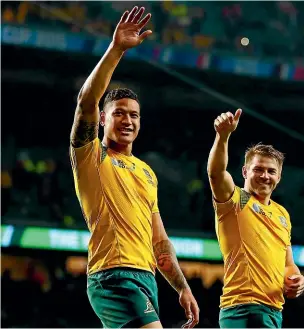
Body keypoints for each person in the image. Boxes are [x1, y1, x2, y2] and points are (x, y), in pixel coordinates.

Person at [69, 6, 199, 329]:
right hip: (112, 274)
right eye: (119, 113)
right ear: (103, 119)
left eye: (134, 115)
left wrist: (182, 287)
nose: (127, 120)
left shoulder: (147, 172)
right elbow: (86, 101)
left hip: (147, 278)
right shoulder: (90, 155)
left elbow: (160, 241)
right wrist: (116, 50)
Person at [207, 109, 304, 328]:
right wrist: (222, 137)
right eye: (258, 169)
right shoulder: (235, 200)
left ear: (279, 177)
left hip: (273, 311)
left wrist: (297, 280)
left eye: (271, 171)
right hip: (239, 308)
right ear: (244, 171)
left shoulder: (282, 214)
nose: (265, 175)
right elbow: (216, 173)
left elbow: (288, 264)